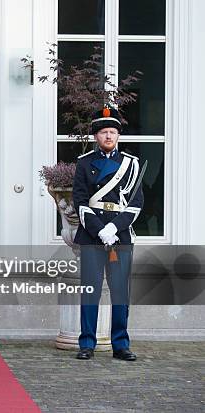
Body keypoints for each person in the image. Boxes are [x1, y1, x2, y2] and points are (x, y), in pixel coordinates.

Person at [72, 106, 144, 361]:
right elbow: (79, 202)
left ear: (118, 135)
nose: (109, 136)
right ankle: (87, 343)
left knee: (120, 292)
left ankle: (121, 344)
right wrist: (100, 229)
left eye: (112, 132)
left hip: (120, 236)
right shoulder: (83, 163)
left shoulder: (131, 164)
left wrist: (114, 227)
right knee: (90, 290)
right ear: (96, 136)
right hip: (93, 235)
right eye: (104, 132)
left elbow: (136, 203)